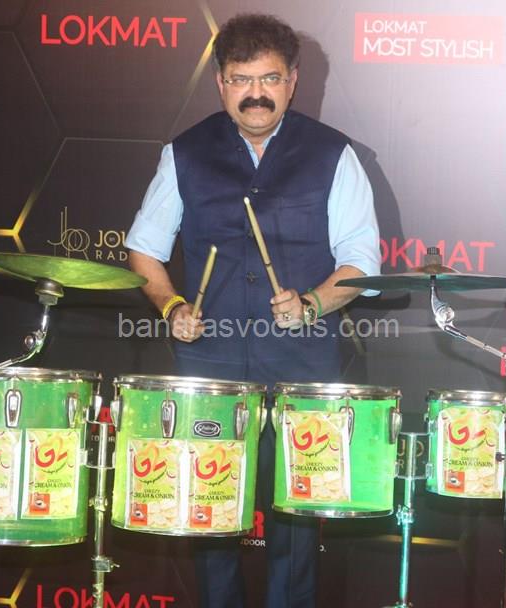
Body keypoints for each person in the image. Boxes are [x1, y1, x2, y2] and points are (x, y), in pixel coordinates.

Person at [125, 13, 381, 608]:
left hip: (302, 370)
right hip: (210, 369)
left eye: (269, 78)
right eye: (241, 79)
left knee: (295, 520)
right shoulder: (185, 153)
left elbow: (361, 262)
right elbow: (143, 249)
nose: (256, 93)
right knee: (208, 511)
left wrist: (313, 302)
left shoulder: (335, 154)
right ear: (221, 83)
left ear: (293, 81)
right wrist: (171, 306)